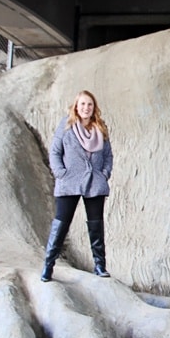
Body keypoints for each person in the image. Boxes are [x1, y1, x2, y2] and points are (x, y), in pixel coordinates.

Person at [41, 90, 114, 281]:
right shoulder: (66, 126)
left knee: (96, 225)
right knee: (61, 224)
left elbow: (108, 155)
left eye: (89, 104)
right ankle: (48, 266)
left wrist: (104, 174)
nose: (86, 108)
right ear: (76, 106)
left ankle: (99, 266)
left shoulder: (100, 127)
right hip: (69, 181)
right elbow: (55, 152)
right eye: (82, 104)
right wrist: (61, 173)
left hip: (95, 183)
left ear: (94, 107)